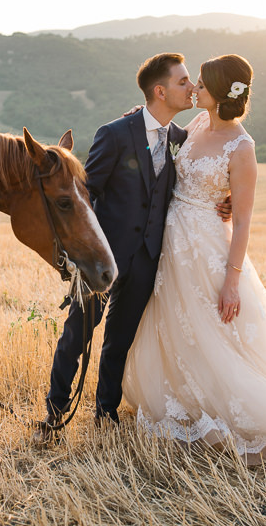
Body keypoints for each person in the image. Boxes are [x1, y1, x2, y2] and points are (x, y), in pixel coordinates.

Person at [122, 54, 266, 464]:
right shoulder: (195, 123)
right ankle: (182, 396)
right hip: (172, 241)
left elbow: (243, 222)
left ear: (222, 93)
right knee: (178, 323)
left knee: (216, 331)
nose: (195, 89)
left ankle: (253, 413)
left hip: (208, 246)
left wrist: (232, 279)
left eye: (203, 85)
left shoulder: (241, 147)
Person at [33, 52, 198, 443]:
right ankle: (54, 413)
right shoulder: (115, 133)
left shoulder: (180, 140)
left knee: (119, 341)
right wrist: (79, 256)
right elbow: (88, 195)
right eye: (183, 82)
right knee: (77, 336)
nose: (191, 88)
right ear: (160, 91)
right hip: (101, 259)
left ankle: (105, 413)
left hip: (146, 259)